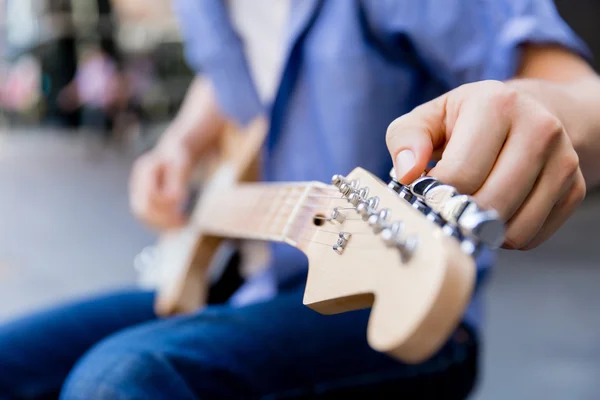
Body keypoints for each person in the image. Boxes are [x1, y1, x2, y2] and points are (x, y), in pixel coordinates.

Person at [1, 0, 600, 398]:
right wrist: (179, 147)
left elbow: (576, 89)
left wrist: (553, 115)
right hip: (237, 278)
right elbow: (234, 75)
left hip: (386, 303)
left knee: (122, 380)